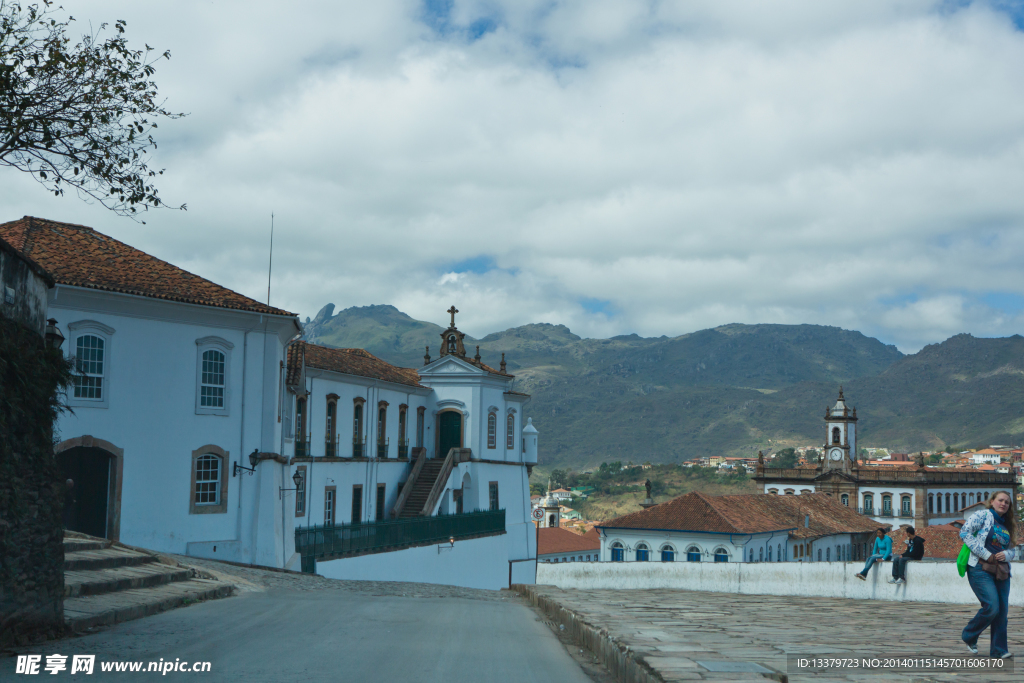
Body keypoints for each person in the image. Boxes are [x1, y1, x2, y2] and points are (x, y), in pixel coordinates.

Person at [960, 490, 1017, 658]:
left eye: (1007, 502)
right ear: (992, 501)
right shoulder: (983, 515)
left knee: (1002, 612)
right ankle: (969, 635)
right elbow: (964, 532)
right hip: (980, 567)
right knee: (992, 606)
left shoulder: (1008, 524)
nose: (1004, 504)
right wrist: (985, 554)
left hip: (1001, 571)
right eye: (1000, 500)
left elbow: (1012, 549)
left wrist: (1007, 555)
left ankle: (999, 650)